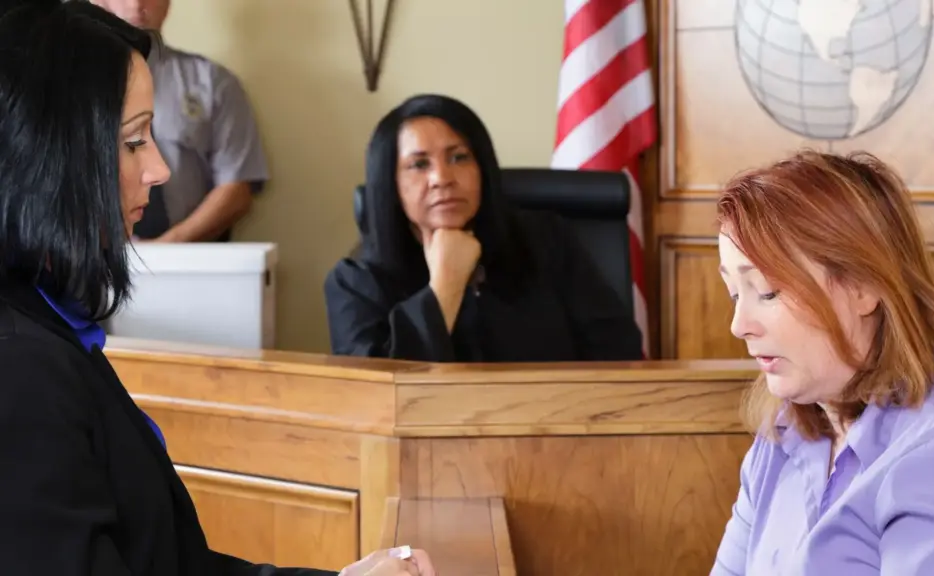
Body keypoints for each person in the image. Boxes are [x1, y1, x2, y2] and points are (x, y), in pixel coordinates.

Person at [0, 3, 433, 575]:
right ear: (47, 153)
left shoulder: (48, 322)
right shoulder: (19, 366)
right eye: (133, 142)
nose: (160, 168)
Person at [710, 150, 934, 575]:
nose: (739, 325)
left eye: (766, 291)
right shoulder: (782, 436)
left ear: (863, 286)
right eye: (734, 293)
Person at [323, 94, 643, 362]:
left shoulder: (546, 240)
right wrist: (445, 286)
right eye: (419, 164)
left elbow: (618, 351)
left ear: (483, 170)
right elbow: (379, 399)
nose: (442, 178)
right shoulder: (356, 282)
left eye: (459, 158)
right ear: (390, 185)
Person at [87, 0, 269, 242]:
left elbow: (236, 187)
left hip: (190, 263)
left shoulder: (213, 83)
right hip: (91, 265)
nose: (137, 3)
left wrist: (169, 247)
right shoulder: (66, 84)